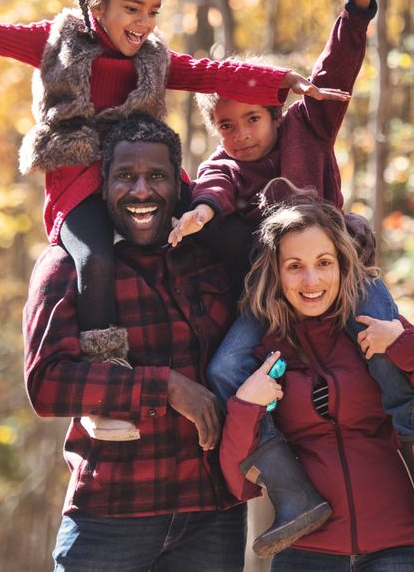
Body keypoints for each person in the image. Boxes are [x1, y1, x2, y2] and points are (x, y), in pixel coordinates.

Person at [0, 0, 347, 441]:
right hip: (81, 177)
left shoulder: (153, 59)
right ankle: (107, 378)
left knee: (233, 238)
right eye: (131, 8)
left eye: (153, 10)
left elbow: (208, 73)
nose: (143, 22)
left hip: (145, 171)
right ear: (98, 1)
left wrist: (279, 82)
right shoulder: (56, 44)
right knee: (94, 258)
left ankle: (272, 333)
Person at [167, 0, 414, 555]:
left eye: (253, 119)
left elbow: (335, 72)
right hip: (277, 291)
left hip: (345, 276)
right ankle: (294, 492)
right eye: (226, 124)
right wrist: (197, 212)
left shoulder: (309, 126)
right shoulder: (223, 165)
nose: (241, 134)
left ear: (276, 112)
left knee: (385, 353)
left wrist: (359, 5)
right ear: (213, 127)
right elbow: (213, 190)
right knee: (225, 369)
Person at [23, 113, 247, 571]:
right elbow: (46, 384)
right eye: (125, 176)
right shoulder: (67, 267)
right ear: (103, 185)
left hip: (214, 513)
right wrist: (165, 386)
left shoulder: (209, 259)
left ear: (179, 186)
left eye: (157, 176)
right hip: (112, 515)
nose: (142, 190)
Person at [218, 199, 414, 571]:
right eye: (294, 267)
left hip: (403, 546)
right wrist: (246, 406)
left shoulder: (378, 327)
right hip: (306, 551)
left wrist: (404, 343)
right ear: (276, 273)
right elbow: (237, 483)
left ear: (342, 263)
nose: (311, 281)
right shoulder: (258, 353)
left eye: (324, 263)